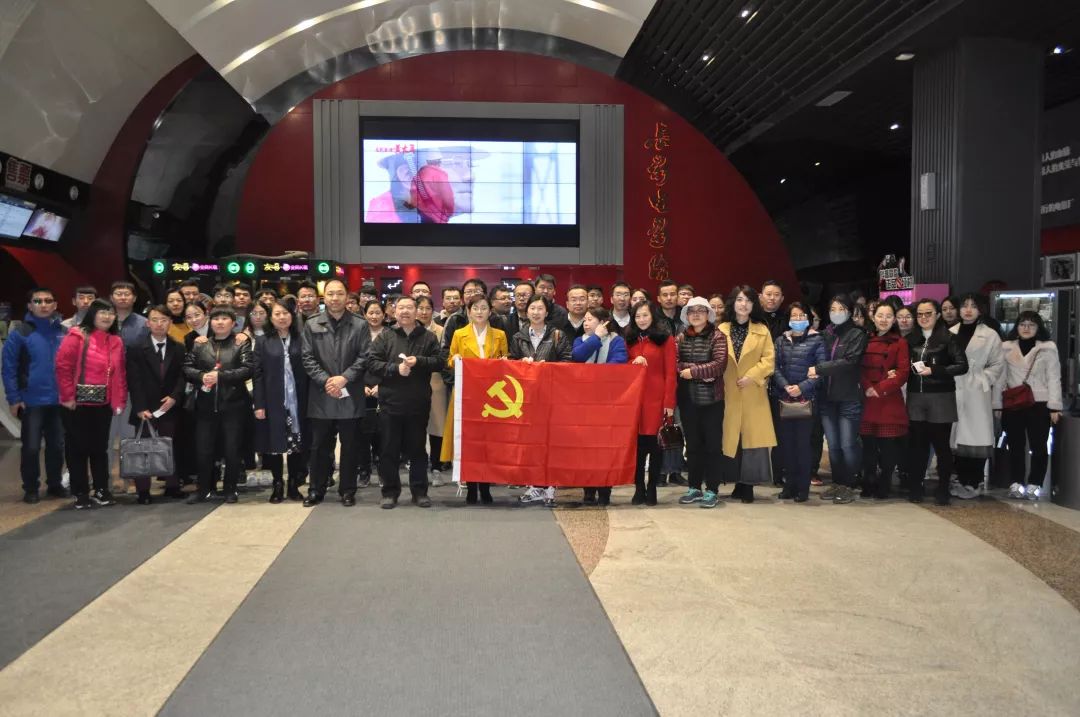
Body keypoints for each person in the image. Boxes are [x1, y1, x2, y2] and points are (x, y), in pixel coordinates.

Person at [367, 296, 442, 508]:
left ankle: (420, 492)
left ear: (416, 311)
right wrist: (394, 369)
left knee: (417, 449)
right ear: (394, 311)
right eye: (401, 307)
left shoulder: (428, 337)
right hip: (390, 403)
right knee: (388, 449)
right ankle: (390, 492)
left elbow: (439, 361)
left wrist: (419, 361)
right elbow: (372, 363)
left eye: (410, 307)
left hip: (418, 403)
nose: (405, 311)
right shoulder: (385, 336)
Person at [300, 279, 369, 507]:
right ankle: (316, 489)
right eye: (330, 294)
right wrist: (326, 381)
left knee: (350, 446)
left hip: (350, 393)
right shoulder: (312, 324)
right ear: (324, 297)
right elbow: (307, 357)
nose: (335, 298)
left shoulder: (359, 324)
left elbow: (365, 356)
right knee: (319, 446)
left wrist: (344, 378)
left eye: (340, 293)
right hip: (322, 395)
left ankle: (347, 490)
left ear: (347, 296)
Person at [55, 299, 127, 509]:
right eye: (102, 312)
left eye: (110, 313)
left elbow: (119, 375)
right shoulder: (77, 336)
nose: (107, 316)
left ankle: (101, 489)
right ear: (92, 314)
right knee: (77, 448)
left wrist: (119, 401)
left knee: (99, 449)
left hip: (103, 404)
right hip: (76, 404)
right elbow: (63, 367)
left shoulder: (116, 341)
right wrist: (67, 397)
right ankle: (80, 492)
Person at [442, 294, 510, 504]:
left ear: (490, 311)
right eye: (475, 308)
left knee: (488, 442)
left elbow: (506, 360)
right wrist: (455, 359)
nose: (479, 312)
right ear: (468, 311)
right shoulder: (459, 333)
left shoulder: (499, 334)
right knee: (469, 441)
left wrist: (504, 361)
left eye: (483, 308)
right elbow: (450, 358)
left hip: (491, 395)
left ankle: (486, 486)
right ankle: (471, 486)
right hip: (467, 394)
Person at [3, 287, 67, 503]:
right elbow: (9, 369)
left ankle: (55, 484)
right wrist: (14, 399)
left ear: (55, 305)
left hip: (59, 401)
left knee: (57, 447)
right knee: (31, 448)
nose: (43, 305)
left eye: (48, 301)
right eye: (38, 301)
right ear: (30, 306)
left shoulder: (63, 332)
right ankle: (31, 488)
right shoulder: (20, 333)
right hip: (31, 402)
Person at [183, 306, 253, 504]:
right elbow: (187, 368)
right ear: (210, 322)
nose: (220, 322)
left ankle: (230, 489)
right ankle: (204, 489)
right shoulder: (201, 344)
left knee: (232, 450)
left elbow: (248, 369)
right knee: (203, 450)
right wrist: (201, 376)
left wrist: (220, 376)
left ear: (233, 323)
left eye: (224, 319)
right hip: (205, 407)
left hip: (234, 405)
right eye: (216, 319)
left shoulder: (241, 343)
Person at [511, 295, 572, 507]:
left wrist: (550, 368)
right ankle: (534, 485)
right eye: (532, 308)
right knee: (530, 444)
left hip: (552, 397)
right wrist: (521, 362)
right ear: (526, 311)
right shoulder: (518, 337)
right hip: (526, 399)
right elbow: (511, 363)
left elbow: (567, 362)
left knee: (551, 443)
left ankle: (550, 486)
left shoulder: (557, 335)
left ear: (547, 312)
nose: (536, 312)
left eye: (540, 308)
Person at [905, 299, 968, 505]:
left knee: (941, 446)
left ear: (937, 315)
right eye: (920, 314)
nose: (924, 318)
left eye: (928, 313)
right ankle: (915, 487)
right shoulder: (911, 339)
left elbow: (962, 365)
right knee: (917, 446)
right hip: (916, 396)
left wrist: (935, 370)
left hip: (941, 396)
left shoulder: (948, 338)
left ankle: (943, 488)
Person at [995, 311, 1063, 500]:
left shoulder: (1048, 348)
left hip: (1039, 402)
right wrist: (997, 404)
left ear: (1038, 327)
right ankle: (1016, 482)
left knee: (1039, 446)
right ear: (1016, 327)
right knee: (1015, 445)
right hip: (1013, 402)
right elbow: (1000, 378)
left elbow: (1054, 377)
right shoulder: (1006, 347)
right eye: (1022, 324)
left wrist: (1055, 406)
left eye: (1031, 325)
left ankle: (1035, 483)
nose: (1026, 328)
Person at [807, 295, 868, 504]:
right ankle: (838, 482)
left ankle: (850, 484)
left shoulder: (857, 334)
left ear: (849, 311)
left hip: (848, 397)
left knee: (847, 444)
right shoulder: (826, 334)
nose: (836, 313)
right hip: (827, 398)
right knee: (833, 445)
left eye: (841, 309)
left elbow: (850, 361)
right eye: (833, 309)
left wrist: (819, 369)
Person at [718, 286, 776, 502]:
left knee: (752, 439)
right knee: (732, 438)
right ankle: (736, 482)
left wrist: (752, 376)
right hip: (728, 390)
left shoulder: (762, 330)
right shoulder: (721, 329)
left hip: (753, 391)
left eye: (749, 300)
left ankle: (748, 485)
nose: (744, 304)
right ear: (733, 302)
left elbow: (769, 360)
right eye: (740, 300)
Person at [126, 305, 186, 503]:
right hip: (145, 407)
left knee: (170, 446)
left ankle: (172, 486)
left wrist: (174, 397)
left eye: (164, 320)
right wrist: (140, 407)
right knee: (143, 448)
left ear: (170, 323)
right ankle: (143, 491)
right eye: (155, 320)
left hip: (169, 406)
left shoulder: (178, 347)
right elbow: (134, 381)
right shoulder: (136, 348)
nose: (159, 324)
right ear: (147, 323)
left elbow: (182, 376)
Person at [671, 298, 726, 508]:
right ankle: (694, 487)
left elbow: (719, 365)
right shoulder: (680, 337)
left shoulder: (718, 336)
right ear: (686, 315)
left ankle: (712, 490)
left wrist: (692, 371)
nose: (696, 314)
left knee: (713, 446)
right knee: (693, 446)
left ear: (708, 314)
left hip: (712, 401)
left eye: (701, 310)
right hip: (687, 400)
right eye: (691, 311)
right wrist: (702, 370)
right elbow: (675, 364)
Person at [949, 293, 1005, 499]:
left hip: (977, 391)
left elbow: (998, 363)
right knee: (957, 437)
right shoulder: (950, 332)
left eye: (973, 306)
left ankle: (974, 481)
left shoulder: (990, 335)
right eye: (964, 305)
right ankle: (960, 479)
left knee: (977, 437)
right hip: (954, 387)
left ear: (980, 309)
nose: (968, 310)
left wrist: (984, 378)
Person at [571, 306, 628, 505]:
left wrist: (595, 377)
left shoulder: (616, 340)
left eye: (590, 319)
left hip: (607, 402)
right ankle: (588, 489)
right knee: (585, 448)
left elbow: (618, 364)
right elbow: (577, 357)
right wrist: (596, 337)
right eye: (585, 320)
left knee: (605, 449)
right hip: (584, 403)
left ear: (603, 322)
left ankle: (605, 490)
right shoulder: (581, 340)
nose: (585, 323)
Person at [771, 301, 826, 503]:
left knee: (803, 445)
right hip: (784, 398)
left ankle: (803, 488)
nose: (798, 319)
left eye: (802, 316)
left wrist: (802, 387)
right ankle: (789, 485)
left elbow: (821, 370)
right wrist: (786, 386)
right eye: (794, 316)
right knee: (786, 445)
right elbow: (774, 367)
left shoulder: (817, 340)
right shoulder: (780, 341)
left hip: (807, 400)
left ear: (808, 319)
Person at [253, 300, 308, 503]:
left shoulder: (302, 338)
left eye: (285, 313)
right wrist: (259, 404)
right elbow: (257, 375)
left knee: (297, 443)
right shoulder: (263, 341)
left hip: (298, 400)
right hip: (273, 400)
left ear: (292, 315)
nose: (282, 317)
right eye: (277, 314)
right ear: (270, 317)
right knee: (274, 444)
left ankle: (294, 483)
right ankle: (277, 483)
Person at [624, 299, 677, 506]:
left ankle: (652, 488)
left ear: (653, 316)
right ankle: (639, 488)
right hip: (634, 402)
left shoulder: (665, 340)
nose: (641, 319)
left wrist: (669, 404)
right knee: (637, 449)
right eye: (637, 316)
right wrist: (633, 362)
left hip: (657, 401)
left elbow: (671, 374)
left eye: (645, 315)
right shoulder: (629, 340)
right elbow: (621, 367)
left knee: (655, 448)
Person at [858, 303, 910, 500]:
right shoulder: (865, 339)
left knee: (888, 449)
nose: (884, 319)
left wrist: (879, 388)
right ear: (873, 317)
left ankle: (885, 483)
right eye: (880, 315)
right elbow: (858, 366)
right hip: (867, 400)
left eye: (889, 316)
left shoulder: (900, 342)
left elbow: (903, 372)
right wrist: (867, 387)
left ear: (894, 319)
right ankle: (868, 481)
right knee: (868, 448)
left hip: (888, 400)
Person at [416, 295, 449, 483]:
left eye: (427, 308)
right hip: (414, 384)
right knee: (416, 427)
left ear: (433, 311)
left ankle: (436, 466)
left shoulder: (441, 331)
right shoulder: (408, 331)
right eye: (420, 308)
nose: (423, 312)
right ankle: (418, 465)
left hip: (436, 383)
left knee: (437, 427)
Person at [356, 300, 386, 486]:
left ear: (384, 314)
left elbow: (394, 363)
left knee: (383, 435)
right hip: (362, 389)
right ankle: (364, 471)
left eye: (378, 312)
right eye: (371, 313)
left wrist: (382, 386)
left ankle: (384, 471)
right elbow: (351, 362)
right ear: (364, 315)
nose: (374, 316)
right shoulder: (358, 334)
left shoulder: (391, 334)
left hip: (384, 389)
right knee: (362, 435)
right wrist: (360, 385)